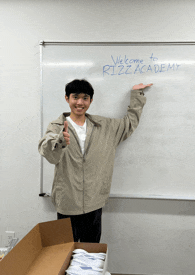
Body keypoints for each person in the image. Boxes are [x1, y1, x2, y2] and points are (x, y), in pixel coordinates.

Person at [38, 79, 153, 243]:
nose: (79, 102)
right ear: (67, 98)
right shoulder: (57, 127)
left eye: (85, 98)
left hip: (94, 203)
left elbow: (129, 123)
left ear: (91, 101)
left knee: (90, 253)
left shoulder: (103, 126)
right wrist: (60, 141)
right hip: (67, 203)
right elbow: (49, 153)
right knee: (63, 253)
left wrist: (137, 94)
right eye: (75, 97)